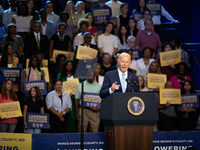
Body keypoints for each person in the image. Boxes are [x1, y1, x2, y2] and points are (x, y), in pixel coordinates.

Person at [57, 60, 77, 133]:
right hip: (63, 100)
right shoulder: (60, 75)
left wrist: (75, 94)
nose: (69, 66)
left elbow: (79, 87)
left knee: (73, 119)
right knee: (64, 119)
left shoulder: (76, 76)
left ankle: (73, 136)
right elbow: (57, 87)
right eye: (67, 65)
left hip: (74, 101)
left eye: (71, 65)